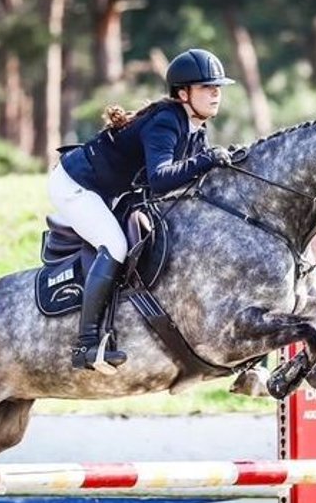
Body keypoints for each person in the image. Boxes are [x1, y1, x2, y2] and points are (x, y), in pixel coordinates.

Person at [47, 48, 235, 373]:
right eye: (207, 87)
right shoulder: (166, 122)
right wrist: (206, 160)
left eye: (217, 87)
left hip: (108, 188)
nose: (216, 93)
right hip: (75, 185)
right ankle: (87, 345)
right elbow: (161, 179)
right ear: (183, 93)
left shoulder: (194, 127)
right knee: (116, 245)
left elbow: (191, 177)